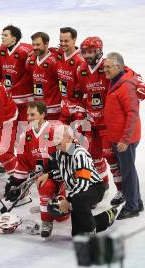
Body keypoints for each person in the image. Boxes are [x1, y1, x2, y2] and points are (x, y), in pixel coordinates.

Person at [37, 125, 118, 236]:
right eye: (56, 139)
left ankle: (90, 232)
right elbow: (65, 173)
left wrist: (68, 200)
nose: (56, 143)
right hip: (78, 191)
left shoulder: (79, 154)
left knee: (78, 199)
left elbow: (83, 183)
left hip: (94, 188)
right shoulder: (61, 153)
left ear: (70, 139)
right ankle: (107, 217)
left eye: (60, 139)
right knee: (77, 233)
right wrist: (49, 174)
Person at [8, 102, 68, 238]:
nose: (29, 117)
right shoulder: (25, 136)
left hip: (63, 176)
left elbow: (73, 151)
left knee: (62, 216)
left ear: (43, 115)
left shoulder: (56, 129)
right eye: (28, 114)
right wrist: (15, 184)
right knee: (44, 187)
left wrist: (59, 170)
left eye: (33, 114)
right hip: (44, 179)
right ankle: (46, 220)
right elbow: (22, 163)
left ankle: (62, 201)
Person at [76, 37, 123, 204]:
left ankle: (122, 190)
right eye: (85, 52)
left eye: (91, 51)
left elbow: (127, 74)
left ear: (99, 51)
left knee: (111, 157)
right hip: (90, 122)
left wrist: (137, 84)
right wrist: (81, 112)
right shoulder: (81, 69)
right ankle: (101, 188)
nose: (88, 55)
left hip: (106, 123)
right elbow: (81, 94)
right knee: (94, 158)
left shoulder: (107, 66)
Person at [104, 52, 143, 219]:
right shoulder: (115, 80)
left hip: (124, 139)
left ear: (118, 67)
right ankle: (137, 202)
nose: (104, 70)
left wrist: (125, 140)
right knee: (129, 171)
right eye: (104, 66)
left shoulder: (125, 86)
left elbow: (132, 113)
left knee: (127, 173)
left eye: (108, 67)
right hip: (118, 137)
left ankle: (132, 207)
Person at [0, 25, 34, 122]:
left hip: (25, 96)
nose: (2, 37)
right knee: (10, 125)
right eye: (2, 35)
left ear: (14, 38)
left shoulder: (25, 50)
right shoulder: (1, 50)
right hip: (9, 95)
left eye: (5, 35)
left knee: (25, 125)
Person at [26, 32, 61, 120]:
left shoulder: (54, 61)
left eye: (38, 45)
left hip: (53, 108)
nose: (34, 47)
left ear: (46, 44)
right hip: (38, 108)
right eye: (33, 44)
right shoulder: (30, 61)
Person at [56, 27, 85, 124]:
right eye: (61, 41)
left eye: (66, 41)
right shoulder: (59, 53)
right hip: (64, 106)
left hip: (77, 109)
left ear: (74, 40)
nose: (63, 44)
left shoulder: (80, 61)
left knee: (77, 138)